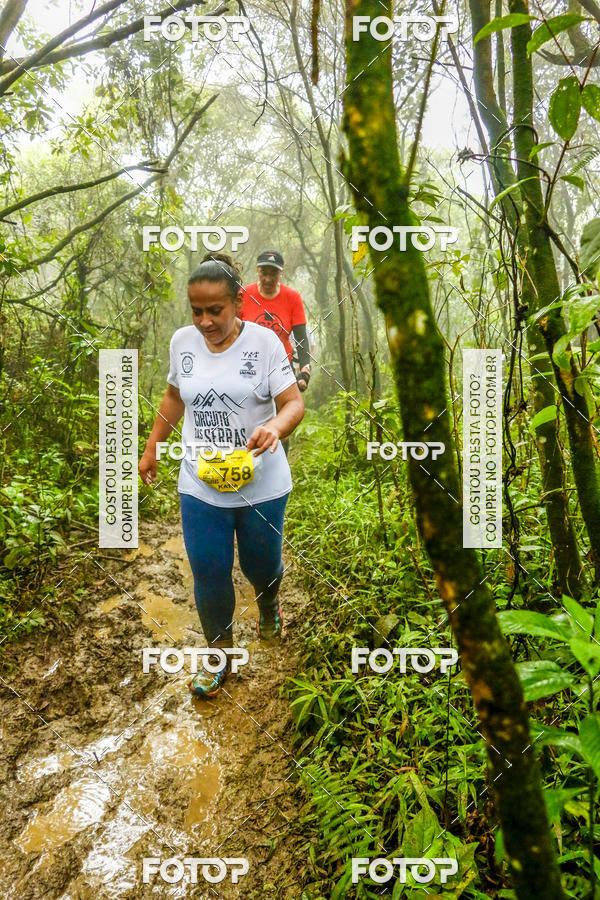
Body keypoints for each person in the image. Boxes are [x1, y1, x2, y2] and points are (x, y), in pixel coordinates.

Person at [138, 253, 304, 699]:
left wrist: (274, 426)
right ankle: (218, 656)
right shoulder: (182, 343)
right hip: (200, 482)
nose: (205, 321)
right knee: (209, 570)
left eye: (216, 310)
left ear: (238, 304)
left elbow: (293, 403)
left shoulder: (265, 345)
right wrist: (153, 443)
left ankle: (269, 603)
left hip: (261, 483)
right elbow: (174, 396)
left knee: (260, 566)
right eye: (197, 311)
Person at [241, 250, 312, 393]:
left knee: (285, 411)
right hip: (248, 367)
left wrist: (305, 368)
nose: (268, 278)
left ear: (280, 273)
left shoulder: (292, 297)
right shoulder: (243, 294)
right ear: (257, 271)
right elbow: (231, 332)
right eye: (263, 272)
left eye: (273, 273)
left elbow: (301, 338)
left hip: (282, 367)